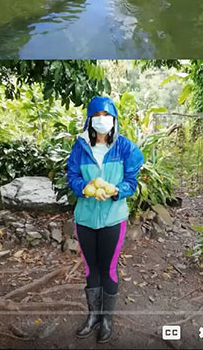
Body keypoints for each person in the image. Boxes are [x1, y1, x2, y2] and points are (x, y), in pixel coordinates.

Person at [65, 96, 143, 344]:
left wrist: (116, 190)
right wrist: (84, 187)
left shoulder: (125, 148)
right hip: (85, 219)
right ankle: (93, 316)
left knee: (108, 268)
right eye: (96, 116)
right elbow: (72, 176)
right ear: (90, 120)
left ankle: (107, 319)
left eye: (106, 116)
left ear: (114, 120)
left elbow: (131, 182)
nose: (101, 120)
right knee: (91, 269)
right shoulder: (80, 147)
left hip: (113, 219)